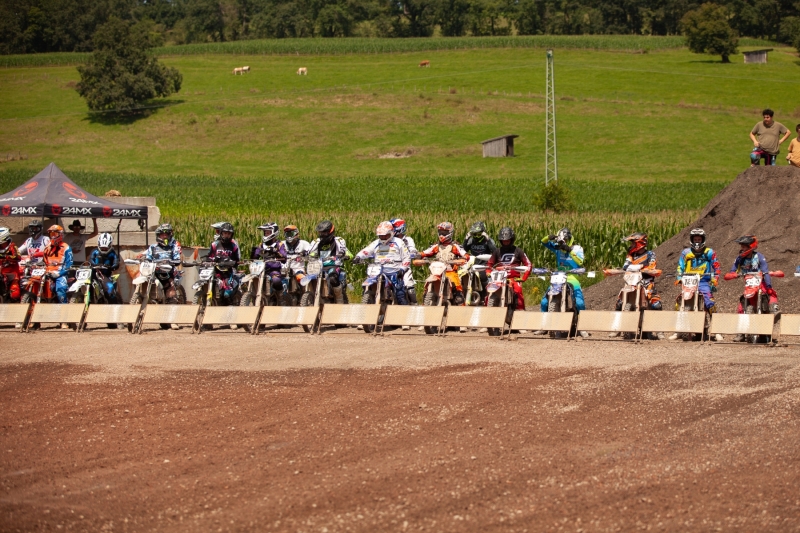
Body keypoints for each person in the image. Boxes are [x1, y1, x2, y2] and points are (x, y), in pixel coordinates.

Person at [671, 228, 722, 341]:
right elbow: (680, 266)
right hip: (688, 280)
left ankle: (717, 330)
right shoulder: (686, 253)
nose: (697, 241)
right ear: (691, 240)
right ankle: (679, 330)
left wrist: (715, 278)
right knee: (680, 302)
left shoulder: (709, 252)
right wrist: (679, 277)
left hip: (703, 280)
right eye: (695, 239)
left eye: (699, 239)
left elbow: (717, 267)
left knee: (709, 302)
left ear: (703, 239)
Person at [611, 232, 663, 339]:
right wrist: (640, 267)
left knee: (656, 303)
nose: (631, 246)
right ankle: (616, 328)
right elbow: (625, 266)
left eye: (633, 243)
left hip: (647, 281)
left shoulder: (650, 254)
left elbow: (652, 266)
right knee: (619, 303)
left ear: (640, 243)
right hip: (631, 281)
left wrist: (637, 267)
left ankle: (659, 330)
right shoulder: (631, 255)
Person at [728, 235, 778, 341]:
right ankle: (741, 333)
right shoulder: (739, 258)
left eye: (745, 246)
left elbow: (765, 270)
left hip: (761, 282)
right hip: (749, 285)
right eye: (741, 246)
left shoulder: (759, 256)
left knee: (770, 294)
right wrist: (733, 275)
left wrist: (769, 285)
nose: (742, 248)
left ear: (751, 246)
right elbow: (732, 271)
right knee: (741, 307)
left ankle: (774, 313)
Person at [354, 221, 410, 305]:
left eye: (385, 235)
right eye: (381, 236)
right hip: (377, 270)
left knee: (400, 294)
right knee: (367, 285)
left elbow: (406, 258)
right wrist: (358, 257)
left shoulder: (399, 242)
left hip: (394, 271)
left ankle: (403, 311)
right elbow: (366, 251)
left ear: (391, 233)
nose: (383, 237)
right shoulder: (376, 243)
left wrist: (402, 269)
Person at [418, 222, 471, 306]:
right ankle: (426, 302)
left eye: (444, 233)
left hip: (450, 271)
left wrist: (464, 258)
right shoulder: (436, 246)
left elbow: (464, 254)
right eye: (440, 232)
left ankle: (461, 306)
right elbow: (425, 252)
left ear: (450, 233)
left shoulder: (455, 246)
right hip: (437, 271)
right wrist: (418, 255)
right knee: (427, 285)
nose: (441, 235)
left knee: (457, 288)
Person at [145, 224, 183, 329]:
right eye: (162, 235)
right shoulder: (153, 247)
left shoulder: (173, 247)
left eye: (166, 234)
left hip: (167, 274)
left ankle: (173, 320)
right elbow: (147, 258)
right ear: (158, 236)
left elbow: (177, 258)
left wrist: (171, 261)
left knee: (171, 291)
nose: (164, 237)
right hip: (154, 273)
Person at [540, 228, 586, 312]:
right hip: (559, 276)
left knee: (579, 304)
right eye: (562, 240)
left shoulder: (577, 249)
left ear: (569, 239)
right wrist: (549, 237)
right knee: (544, 303)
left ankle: (582, 321)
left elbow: (580, 262)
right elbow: (543, 242)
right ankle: (544, 322)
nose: (564, 242)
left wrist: (569, 250)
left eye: (565, 240)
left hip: (572, 277)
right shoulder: (557, 249)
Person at [486, 227, 531, 311]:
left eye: (507, 240)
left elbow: (528, 264)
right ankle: (488, 313)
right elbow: (489, 264)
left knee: (518, 291)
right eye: (503, 241)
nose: (505, 242)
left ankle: (520, 313)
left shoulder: (518, 251)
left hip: (513, 279)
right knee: (489, 292)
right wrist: (488, 272)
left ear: (512, 240)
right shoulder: (497, 251)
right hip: (498, 279)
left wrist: (523, 278)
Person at [307, 220, 352, 304]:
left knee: (333, 278)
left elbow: (343, 249)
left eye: (324, 233)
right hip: (319, 266)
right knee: (309, 277)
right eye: (320, 233)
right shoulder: (316, 241)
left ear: (330, 231)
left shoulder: (338, 240)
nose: (322, 235)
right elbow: (310, 251)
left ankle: (339, 299)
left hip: (333, 266)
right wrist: (305, 255)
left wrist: (343, 254)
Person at [461, 221, 497, 306]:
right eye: (475, 234)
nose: (477, 236)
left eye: (479, 234)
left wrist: (487, 240)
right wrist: (466, 240)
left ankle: (486, 295)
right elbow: (463, 251)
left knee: (482, 275)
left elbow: (495, 251)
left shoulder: (488, 240)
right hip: (473, 264)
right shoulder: (471, 240)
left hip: (484, 265)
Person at [205, 222, 241, 305]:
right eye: (225, 233)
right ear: (221, 233)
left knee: (226, 294)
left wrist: (232, 262)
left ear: (231, 235)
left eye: (229, 234)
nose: (226, 235)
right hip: (216, 272)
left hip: (228, 273)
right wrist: (209, 261)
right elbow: (209, 256)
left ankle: (230, 305)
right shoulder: (214, 244)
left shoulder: (233, 246)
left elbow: (237, 259)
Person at [252, 222, 287, 298]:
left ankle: (280, 294)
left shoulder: (279, 244)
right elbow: (255, 258)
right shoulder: (261, 245)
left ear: (274, 232)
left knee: (276, 280)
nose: (267, 234)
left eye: (268, 232)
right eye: (265, 232)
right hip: (262, 269)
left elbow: (284, 258)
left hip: (274, 270)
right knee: (253, 279)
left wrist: (276, 252)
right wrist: (254, 253)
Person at [42, 224, 73, 305]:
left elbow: (69, 264)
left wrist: (59, 273)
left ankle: (64, 307)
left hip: (60, 274)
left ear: (60, 234)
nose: (52, 236)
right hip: (47, 272)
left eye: (54, 234)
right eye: (51, 234)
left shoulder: (66, 247)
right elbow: (44, 260)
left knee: (60, 288)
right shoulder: (47, 247)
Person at [391, 219, 418, 309]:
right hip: (389, 266)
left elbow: (412, 249)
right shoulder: (389, 240)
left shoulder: (407, 240)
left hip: (403, 266)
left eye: (393, 228)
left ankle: (414, 305)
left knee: (409, 287)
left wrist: (413, 253)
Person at [88, 232, 120, 304]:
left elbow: (116, 263)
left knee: (110, 289)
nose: (104, 249)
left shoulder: (112, 253)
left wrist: (111, 267)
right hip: (93, 273)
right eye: (102, 248)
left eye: (106, 248)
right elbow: (90, 259)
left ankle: (114, 305)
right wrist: (93, 264)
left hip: (105, 275)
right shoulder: (95, 251)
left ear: (110, 245)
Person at [0, 227, 22, 302]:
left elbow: (18, 257)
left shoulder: (12, 246)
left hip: (12, 272)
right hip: (1, 271)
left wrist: (6, 256)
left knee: (15, 293)